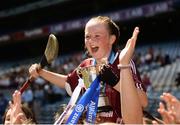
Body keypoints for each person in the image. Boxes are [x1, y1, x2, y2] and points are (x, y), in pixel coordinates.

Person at [29, 16, 148, 124]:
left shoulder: (123, 61)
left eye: (97, 36)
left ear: (111, 39)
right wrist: (41, 72)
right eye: (87, 37)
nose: (91, 40)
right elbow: (68, 83)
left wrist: (114, 81)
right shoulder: (86, 65)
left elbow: (143, 101)